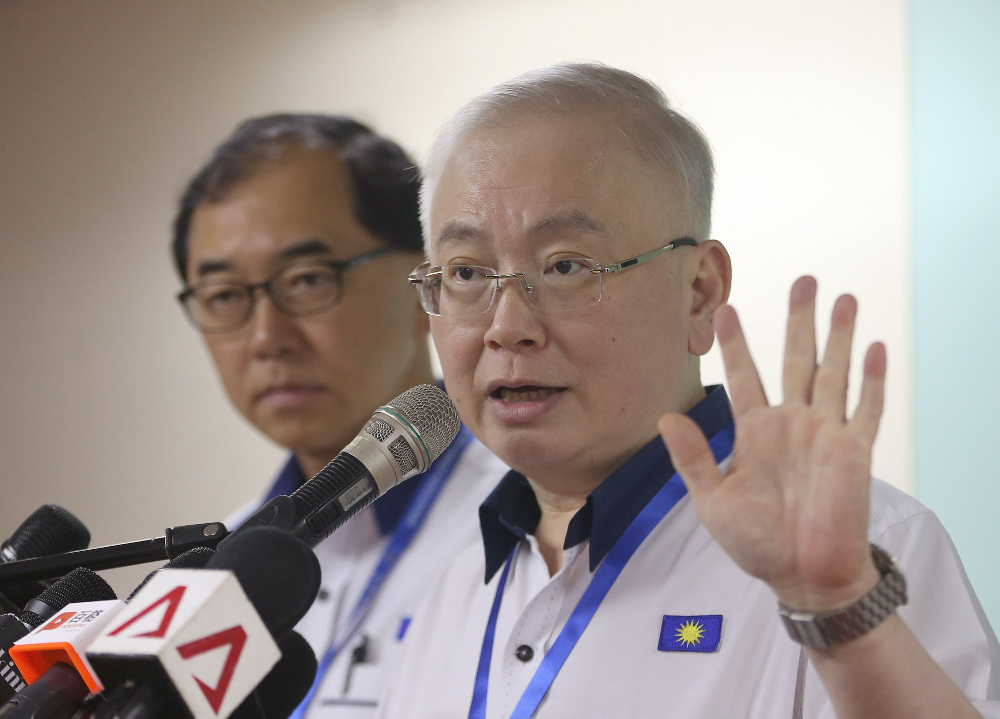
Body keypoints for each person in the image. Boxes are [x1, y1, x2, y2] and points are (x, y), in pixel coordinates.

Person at [375, 64, 1000, 718]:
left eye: (564, 266)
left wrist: (840, 609)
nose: (508, 326)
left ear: (699, 290)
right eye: (468, 271)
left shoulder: (862, 551)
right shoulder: (447, 583)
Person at [171, 114, 509, 718]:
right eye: (224, 296)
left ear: (424, 279)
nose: (266, 338)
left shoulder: (525, 518)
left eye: (306, 281)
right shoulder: (226, 563)